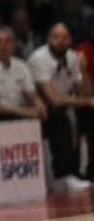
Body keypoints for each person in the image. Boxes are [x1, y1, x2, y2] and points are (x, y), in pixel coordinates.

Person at [30, 21, 94, 187]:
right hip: (41, 109)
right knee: (60, 116)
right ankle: (63, 175)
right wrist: (87, 101)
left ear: (70, 40)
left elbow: (86, 92)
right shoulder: (39, 58)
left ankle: (89, 171)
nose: (60, 41)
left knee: (89, 114)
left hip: (68, 104)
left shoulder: (73, 57)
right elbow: (53, 99)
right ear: (48, 40)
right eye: (56, 37)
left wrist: (83, 68)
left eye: (65, 37)